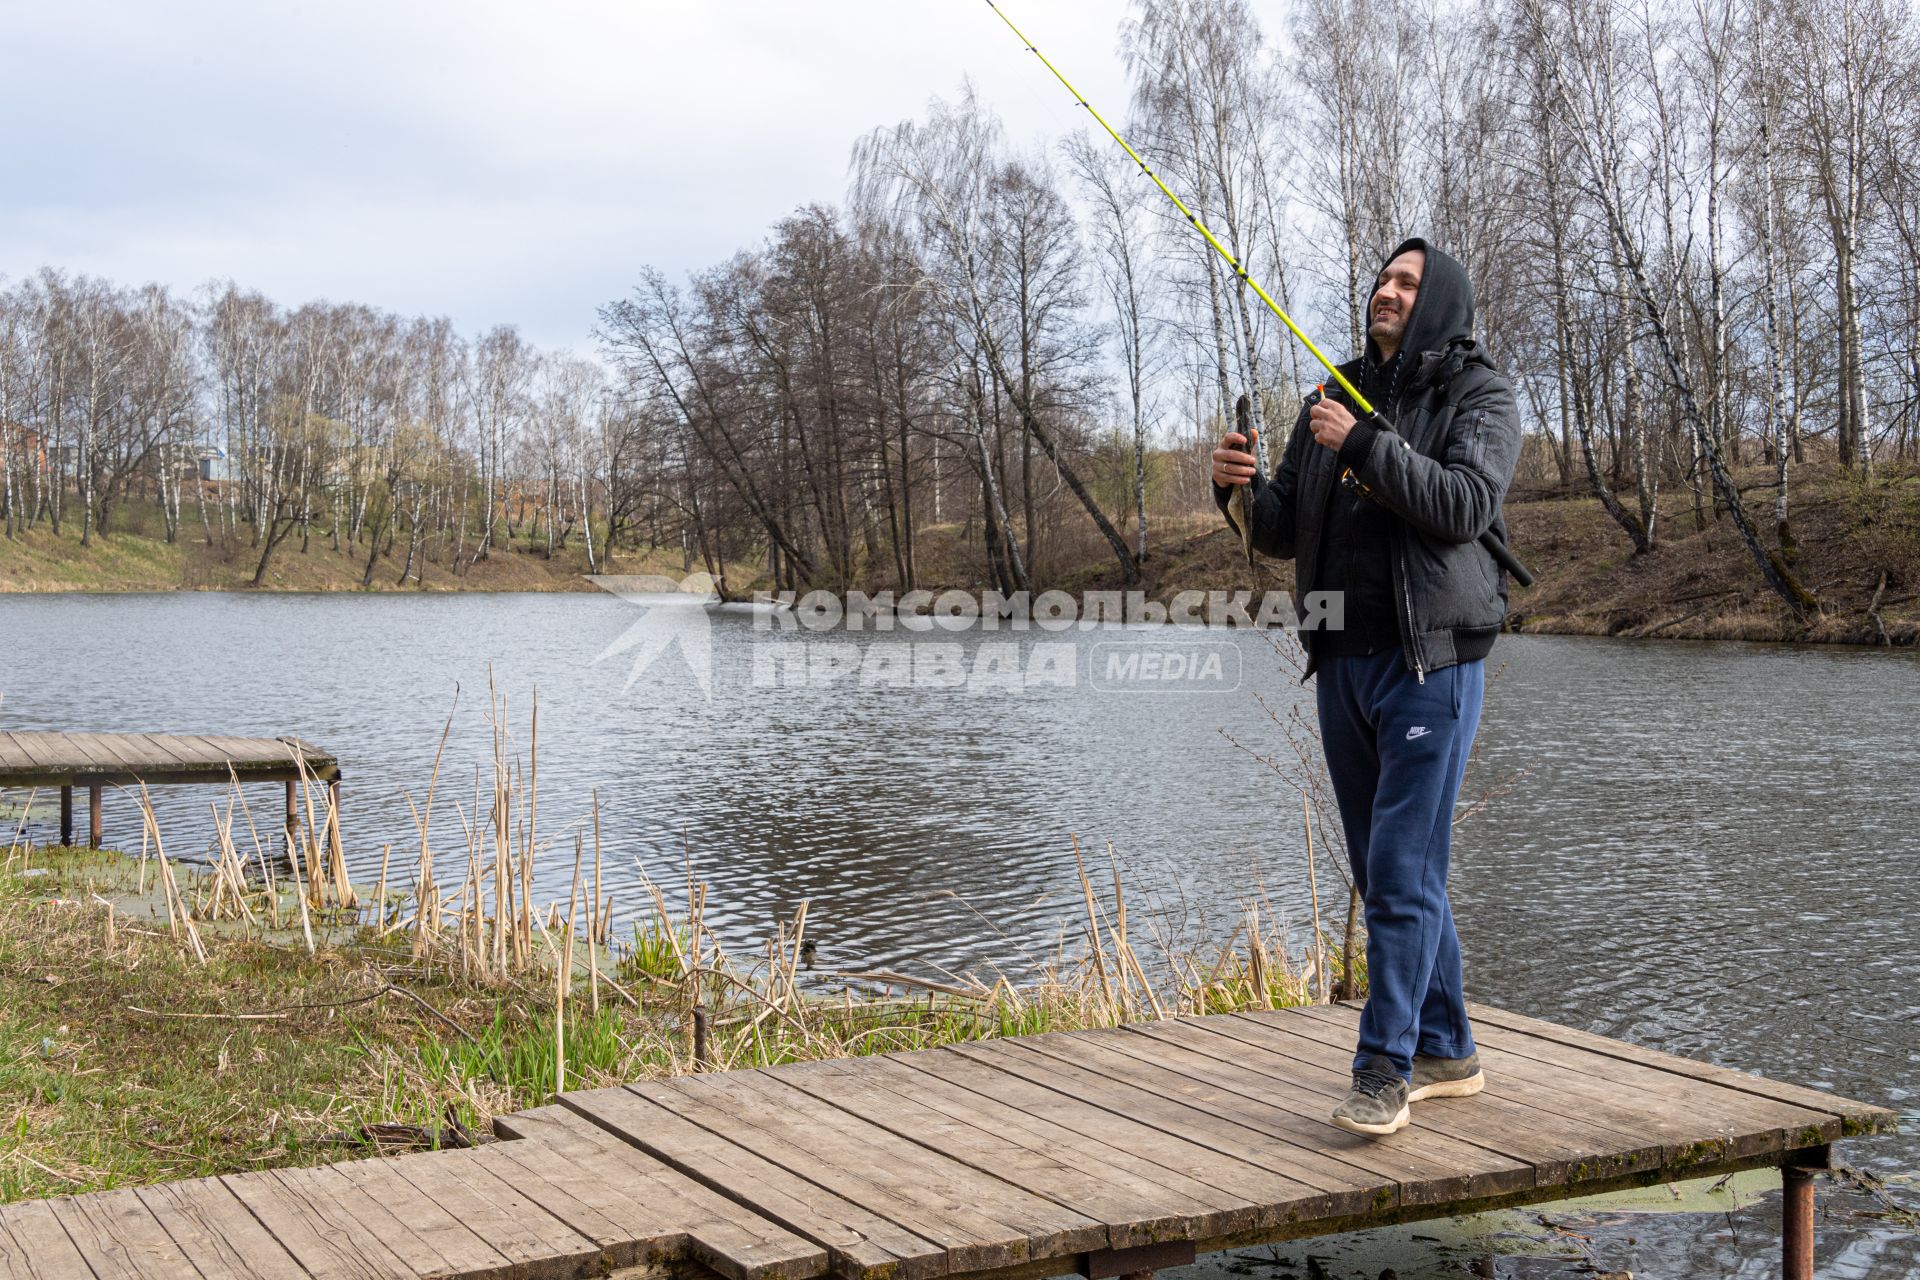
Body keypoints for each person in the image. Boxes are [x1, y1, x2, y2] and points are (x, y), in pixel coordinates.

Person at [1210, 237, 1522, 1137]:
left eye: (1407, 283)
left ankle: (1383, 1070)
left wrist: (1368, 441)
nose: (1386, 290)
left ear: (1439, 302)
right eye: (1382, 278)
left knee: (1399, 869)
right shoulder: (1329, 394)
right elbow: (1283, 530)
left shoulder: (1480, 394)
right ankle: (1449, 1047)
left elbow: (1464, 506)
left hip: (1433, 663)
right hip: (1341, 662)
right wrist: (1238, 491)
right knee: (1396, 869)